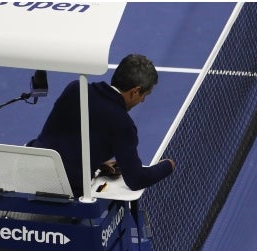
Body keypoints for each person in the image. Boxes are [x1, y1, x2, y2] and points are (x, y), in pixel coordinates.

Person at [28, 53, 175, 197]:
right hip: (64, 190)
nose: (143, 100)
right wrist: (167, 166)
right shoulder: (123, 123)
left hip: (29, 171)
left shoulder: (75, 88)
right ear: (135, 91)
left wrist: (96, 161)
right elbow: (136, 180)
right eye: (145, 95)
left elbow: (66, 138)